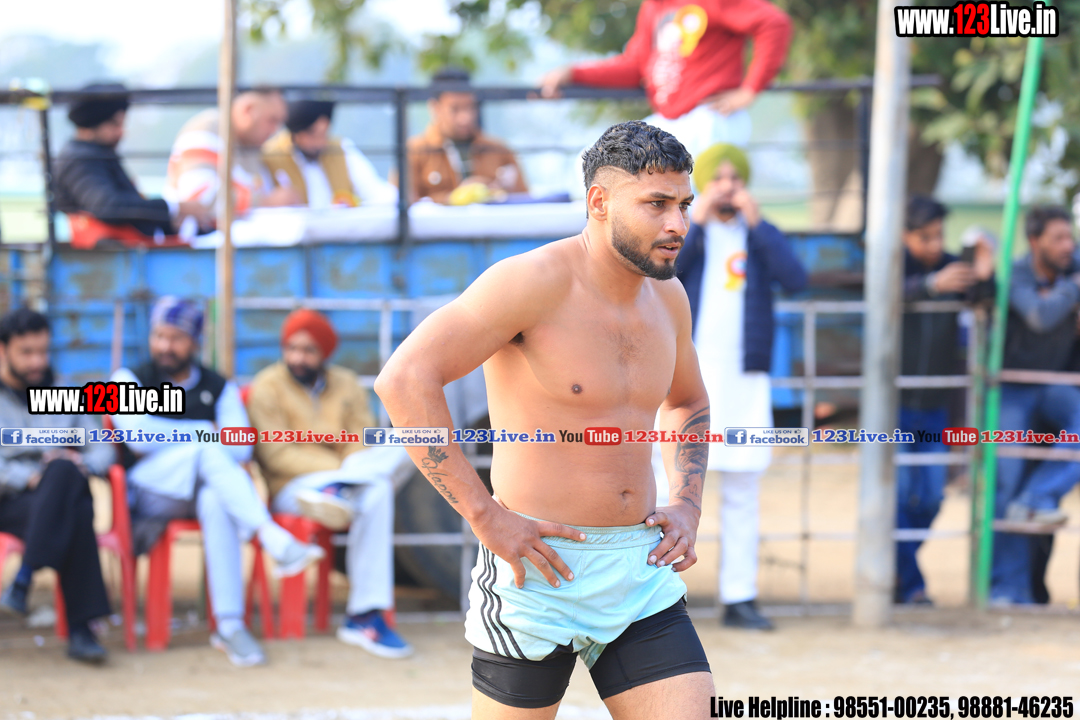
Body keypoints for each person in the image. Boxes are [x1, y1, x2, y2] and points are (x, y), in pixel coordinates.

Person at [376, 120, 713, 718]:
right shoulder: (530, 282)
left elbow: (686, 402)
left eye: (684, 205)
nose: (678, 225)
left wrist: (687, 502)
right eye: (657, 204)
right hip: (534, 571)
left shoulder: (669, 296)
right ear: (599, 202)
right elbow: (404, 380)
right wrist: (486, 517)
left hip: (638, 570)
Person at [110, 297, 324, 666]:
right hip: (150, 491)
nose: (165, 346)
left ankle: (229, 625)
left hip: (203, 489)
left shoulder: (217, 386)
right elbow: (138, 435)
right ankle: (270, 536)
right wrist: (204, 430)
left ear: (195, 342)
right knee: (207, 449)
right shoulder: (128, 379)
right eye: (159, 336)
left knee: (215, 499)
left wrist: (179, 435)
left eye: (176, 338)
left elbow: (241, 446)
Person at [674, 143, 806, 629]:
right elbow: (662, 275)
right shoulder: (683, 232)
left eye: (736, 179)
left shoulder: (759, 235)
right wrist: (697, 222)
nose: (727, 188)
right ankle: (658, 597)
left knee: (743, 486)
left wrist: (759, 224)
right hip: (685, 380)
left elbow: (796, 278)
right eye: (718, 179)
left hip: (746, 380)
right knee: (670, 485)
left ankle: (739, 596)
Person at [246, 309, 413, 658]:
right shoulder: (267, 387)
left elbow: (360, 441)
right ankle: (365, 616)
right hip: (293, 488)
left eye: (308, 350)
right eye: (292, 348)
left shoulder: (346, 384)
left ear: (324, 353)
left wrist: (347, 472)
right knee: (376, 485)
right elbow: (276, 454)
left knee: (410, 445)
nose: (298, 357)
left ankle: (364, 616)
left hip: (347, 481)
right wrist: (341, 471)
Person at [0, 308, 114, 663]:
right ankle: (81, 630)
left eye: (43, 351)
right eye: (26, 352)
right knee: (73, 505)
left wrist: (83, 464)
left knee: (65, 475)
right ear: (3, 350)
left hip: (57, 492)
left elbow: (103, 448)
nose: (37, 361)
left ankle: (25, 577)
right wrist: (29, 477)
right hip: (10, 500)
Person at [538, 0, 792, 156]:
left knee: (690, 207)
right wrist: (574, 73)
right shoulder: (653, 7)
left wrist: (750, 89)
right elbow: (635, 66)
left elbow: (772, 23)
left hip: (711, 117)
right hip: (670, 123)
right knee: (592, 161)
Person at [897, 196, 994, 605]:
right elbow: (882, 291)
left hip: (935, 405)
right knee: (899, 494)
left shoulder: (952, 266)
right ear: (904, 235)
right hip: (894, 404)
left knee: (933, 495)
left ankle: (896, 569)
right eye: (925, 237)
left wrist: (985, 272)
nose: (935, 244)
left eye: (939, 235)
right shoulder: (893, 265)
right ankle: (910, 584)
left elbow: (986, 300)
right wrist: (930, 286)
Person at [992, 206, 1080, 605]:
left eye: (1070, 237)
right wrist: (1071, 292)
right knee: (1005, 482)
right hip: (1011, 388)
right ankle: (1009, 590)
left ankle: (1037, 497)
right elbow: (1040, 316)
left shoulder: (1070, 268)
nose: (1068, 245)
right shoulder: (1016, 275)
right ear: (1034, 241)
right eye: (1058, 238)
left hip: (1055, 385)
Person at [54, 83, 213, 248]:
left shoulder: (93, 153)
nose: (121, 132)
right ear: (94, 123)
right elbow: (109, 207)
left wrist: (172, 220)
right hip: (118, 252)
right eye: (115, 124)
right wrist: (175, 207)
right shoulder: (81, 160)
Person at [165, 88, 300, 215]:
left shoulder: (252, 144)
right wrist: (265, 202)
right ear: (248, 110)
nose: (274, 130)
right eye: (271, 120)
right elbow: (200, 199)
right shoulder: (208, 130)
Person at [406, 67, 529, 204]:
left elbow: (524, 201)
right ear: (435, 107)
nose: (465, 118)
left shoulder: (500, 150)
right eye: (455, 109)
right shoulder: (414, 151)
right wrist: (452, 199)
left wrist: (497, 192)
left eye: (471, 107)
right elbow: (403, 203)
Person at [262, 100, 398, 209]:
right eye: (313, 135)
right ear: (296, 133)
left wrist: (397, 198)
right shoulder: (271, 156)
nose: (320, 142)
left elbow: (373, 189)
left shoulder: (341, 148)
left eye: (324, 134)